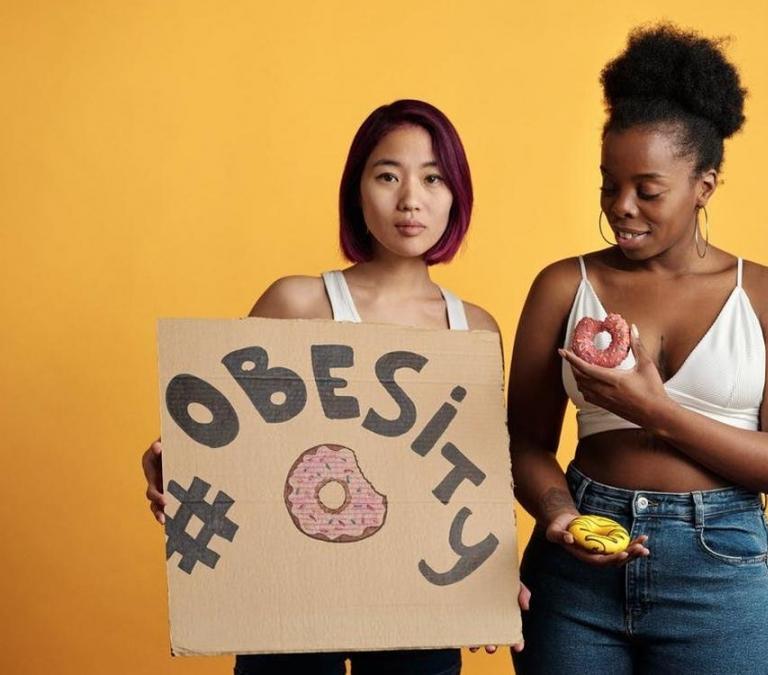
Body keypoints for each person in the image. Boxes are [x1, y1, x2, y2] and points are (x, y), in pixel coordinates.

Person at [142, 99, 523, 675]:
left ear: (456, 195)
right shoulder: (297, 303)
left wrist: (490, 579)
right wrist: (173, 464)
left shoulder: (474, 329)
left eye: (433, 178)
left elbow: (476, 474)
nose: (410, 199)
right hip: (292, 598)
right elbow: (225, 440)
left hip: (419, 607)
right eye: (388, 175)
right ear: (357, 190)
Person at [508, 25, 768, 674]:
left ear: (704, 185)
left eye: (647, 190)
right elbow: (521, 442)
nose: (622, 207)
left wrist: (658, 412)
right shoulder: (565, 286)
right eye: (608, 184)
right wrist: (561, 514)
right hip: (575, 574)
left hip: (719, 573)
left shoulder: (766, 296)